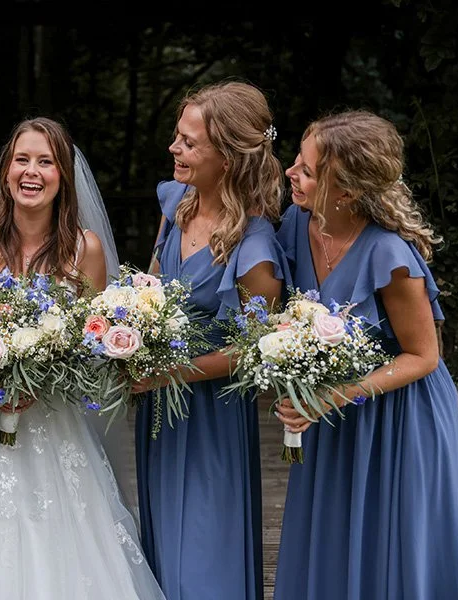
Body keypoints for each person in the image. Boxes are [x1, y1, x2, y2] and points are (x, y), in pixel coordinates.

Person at [0, 117, 165, 600]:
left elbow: (91, 345)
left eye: (45, 162)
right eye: (21, 159)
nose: (31, 172)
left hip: (52, 424)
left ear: (62, 176)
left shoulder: (84, 250)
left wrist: (41, 380)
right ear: (6, 170)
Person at [273, 110, 458, 599]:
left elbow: (424, 356)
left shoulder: (390, 256)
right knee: (335, 545)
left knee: (392, 551)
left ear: (346, 192)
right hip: (333, 418)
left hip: (400, 419)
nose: (290, 173)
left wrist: (332, 396)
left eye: (307, 171)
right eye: (297, 160)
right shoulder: (297, 222)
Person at [132, 80, 289, 600]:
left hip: (211, 415)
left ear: (226, 157)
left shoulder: (255, 245)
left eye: (188, 142)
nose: (174, 148)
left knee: (202, 550)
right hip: (159, 407)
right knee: (162, 543)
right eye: (177, 136)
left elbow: (257, 349)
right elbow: (149, 287)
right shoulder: (176, 202)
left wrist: (170, 373)